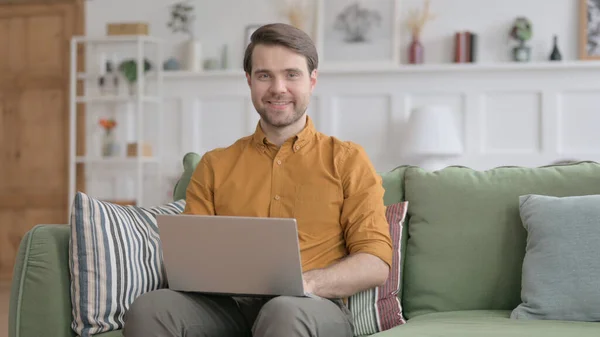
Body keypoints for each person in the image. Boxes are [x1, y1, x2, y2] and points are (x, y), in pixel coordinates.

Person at [123, 23, 393, 337]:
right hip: (227, 310)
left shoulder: (347, 160)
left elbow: (375, 262)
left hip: (311, 308)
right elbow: (188, 261)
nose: (278, 88)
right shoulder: (215, 165)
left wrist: (309, 283)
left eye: (292, 74)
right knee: (151, 308)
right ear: (249, 81)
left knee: (283, 311)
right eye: (265, 75)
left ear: (312, 80)